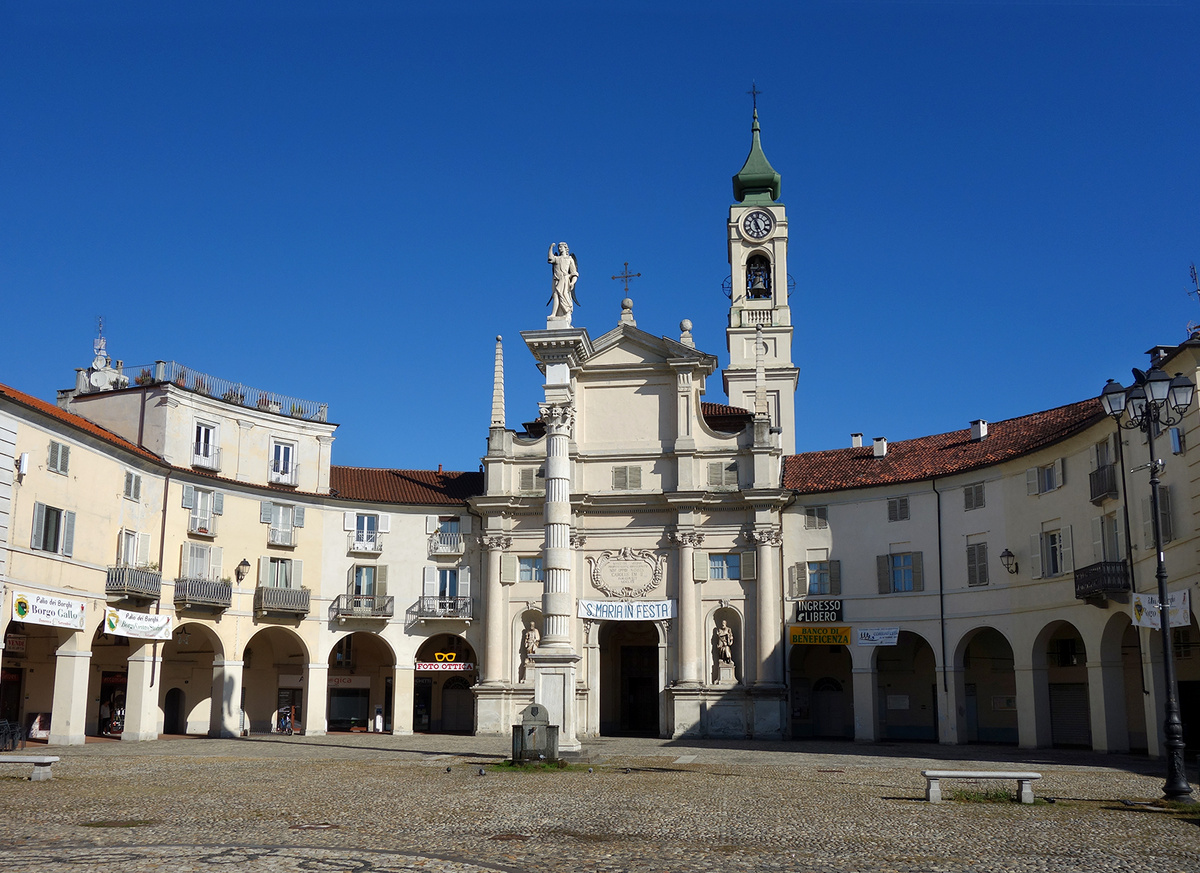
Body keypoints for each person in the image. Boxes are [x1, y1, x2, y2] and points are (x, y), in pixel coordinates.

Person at [547, 242, 579, 318]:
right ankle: (554, 313)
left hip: (565, 279)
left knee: (564, 295)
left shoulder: (569, 259)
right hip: (556, 279)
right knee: (555, 295)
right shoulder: (557, 258)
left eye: (561, 247)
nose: (559, 248)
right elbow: (550, 258)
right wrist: (551, 248)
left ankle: (567, 311)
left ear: (565, 248)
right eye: (558, 247)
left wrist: (572, 282)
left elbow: (574, 273)